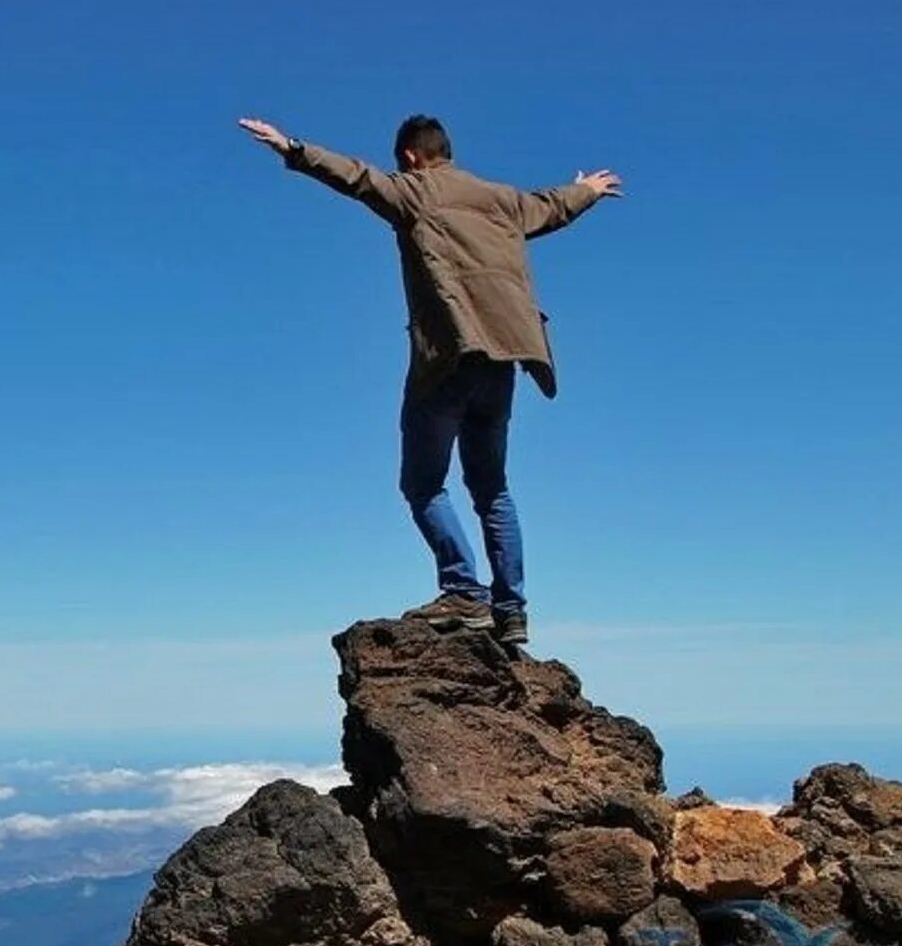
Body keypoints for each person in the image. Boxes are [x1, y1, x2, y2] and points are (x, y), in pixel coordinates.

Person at [238, 114, 621, 644]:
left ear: (412, 157)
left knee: (422, 485)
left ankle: (464, 592)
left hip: (449, 357)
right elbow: (551, 207)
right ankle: (511, 612)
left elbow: (354, 177)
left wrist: (293, 147)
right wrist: (586, 190)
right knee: (492, 489)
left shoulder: (415, 193)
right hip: (506, 361)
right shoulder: (503, 200)